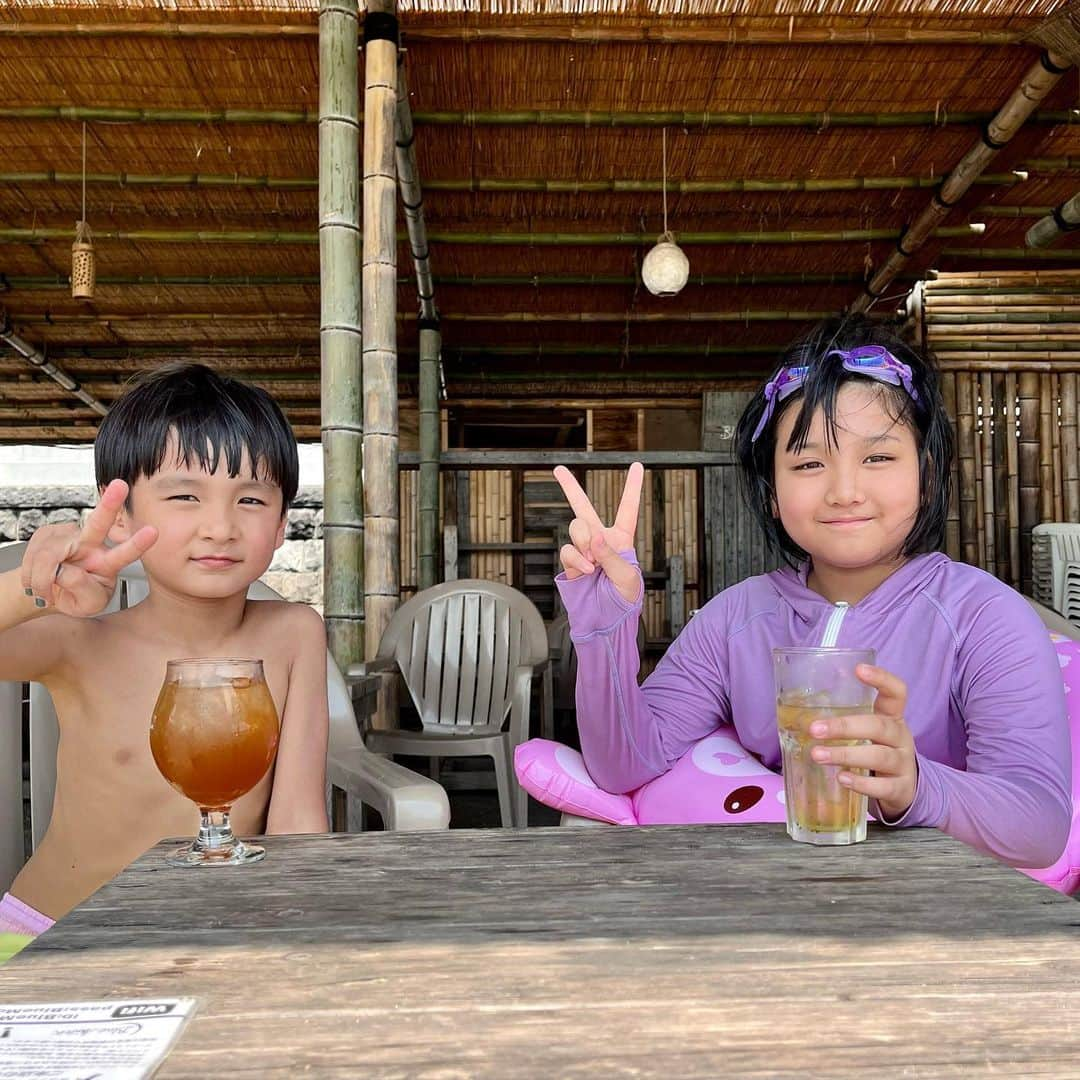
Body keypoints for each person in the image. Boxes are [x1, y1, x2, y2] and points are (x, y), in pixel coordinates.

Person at [554, 316, 1071, 870]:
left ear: (927, 473)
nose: (845, 492)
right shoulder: (735, 619)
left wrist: (916, 784)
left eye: (877, 457)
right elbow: (625, 765)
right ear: (771, 492)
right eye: (808, 463)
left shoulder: (984, 617)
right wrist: (605, 627)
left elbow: (1038, 826)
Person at [0, 363, 329, 935]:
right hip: (46, 934)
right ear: (120, 515)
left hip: (206, 942)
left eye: (251, 500)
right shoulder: (77, 641)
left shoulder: (295, 633)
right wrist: (36, 589)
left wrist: (295, 937)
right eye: (184, 495)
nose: (220, 527)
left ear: (281, 526)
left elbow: (298, 819)